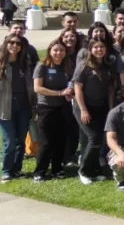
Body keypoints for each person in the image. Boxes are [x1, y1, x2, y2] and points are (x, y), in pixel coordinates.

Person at [73, 38, 116, 185]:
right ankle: (83, 171)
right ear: (90, 49)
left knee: (97, 140)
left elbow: (110, 89)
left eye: (102, 47)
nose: (99, 50)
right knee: (94, 138)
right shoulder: (83, 66)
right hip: (84, 108)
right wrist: (83, 110)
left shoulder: (107, 66)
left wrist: (110, 109)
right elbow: (77, 88)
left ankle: (94, 170)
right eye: (96, 47)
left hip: (101, 107)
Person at [32, 40, 74, 182]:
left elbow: (69, 86)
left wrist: (69, 93)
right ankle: (40, 172)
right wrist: (59, 93)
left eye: (61, 50)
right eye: (55, 50)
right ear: (50, 51)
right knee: (46, 142)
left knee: (60, 141)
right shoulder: (42, 66)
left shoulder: (66, 67)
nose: (58, 53)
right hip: (46, 108)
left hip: (63, 108)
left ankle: (57, 168)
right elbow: (37, 88)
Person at [0, 34, 35, 183]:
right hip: (5, 107)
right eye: (12, 42)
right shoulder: (2, 64)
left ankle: (16, 169)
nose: (14, 46)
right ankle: (6, 171)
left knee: (21, 140)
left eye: (18, 44)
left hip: (24, 106)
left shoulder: (25, 64)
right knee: (9, 142)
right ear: (6, 44)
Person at [58, 27, 83, 165]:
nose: (69, 39)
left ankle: (71, 154)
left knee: (74, 126)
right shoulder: (58, 52)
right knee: (63, 127)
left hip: (76, 93)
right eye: (66, 36)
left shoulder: (81, 53)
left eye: (72, 36)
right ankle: (63, 155)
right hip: (60, 93)